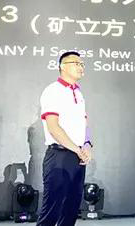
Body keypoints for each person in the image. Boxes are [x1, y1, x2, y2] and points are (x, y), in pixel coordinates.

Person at [37, 51, 93, 226]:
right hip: (59, 156)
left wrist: (87, 145)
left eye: (82, 64)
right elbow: (53, 127)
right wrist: (77, 149)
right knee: (52, 210)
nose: (81, 67)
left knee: (71, 209)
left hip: (77, 157)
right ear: (62, 66)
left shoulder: (79, 93)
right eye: (76, 63)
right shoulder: (53, 90)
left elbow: (84, 123)